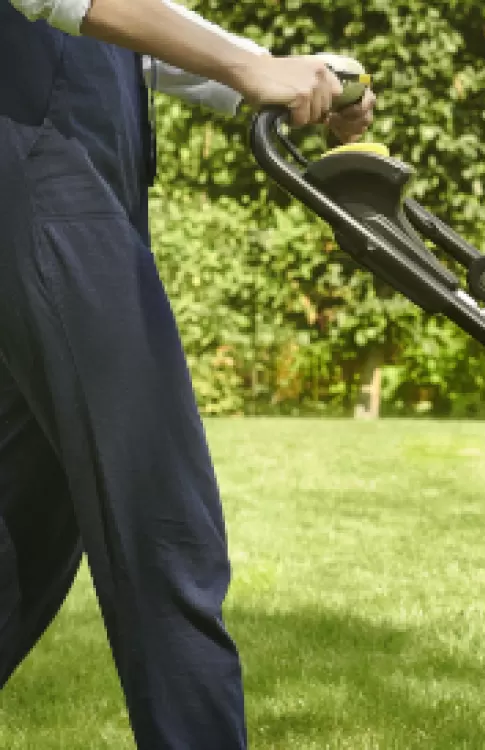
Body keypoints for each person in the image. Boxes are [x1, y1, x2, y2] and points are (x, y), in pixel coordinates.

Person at [0, 0, 375, 746]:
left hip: (77, 176)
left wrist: (275, 71)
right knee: (162, 519)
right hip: (43, 177)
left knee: (30, 522)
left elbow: (140, 32)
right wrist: (247, 69)